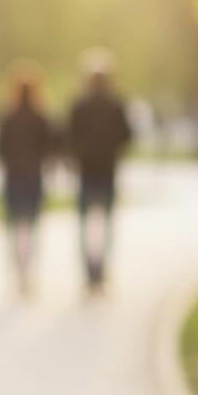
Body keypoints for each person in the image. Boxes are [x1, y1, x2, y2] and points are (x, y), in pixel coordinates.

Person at [67, 49, 133, 293]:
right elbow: (127, 135)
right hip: (107, 170)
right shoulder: (116, 104)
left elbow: (69, 137)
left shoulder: (79, 104)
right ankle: (101, 269)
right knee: (105, 224)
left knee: (86, 224)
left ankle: (89, 271)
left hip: (86, 171)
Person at [0, 59, 55, 296]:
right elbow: (50, 145)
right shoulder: (40, 116)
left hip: (13, 177)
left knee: (14, 227)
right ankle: (29, 270)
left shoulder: (7, 117)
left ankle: (18, 271)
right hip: (33, 177)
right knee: (32, 228)